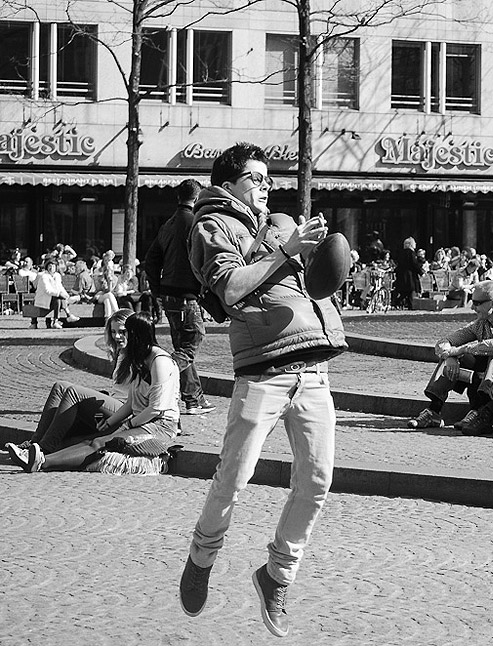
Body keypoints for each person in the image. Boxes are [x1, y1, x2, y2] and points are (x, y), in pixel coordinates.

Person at [180, 142, 347, 637]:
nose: (265, 185)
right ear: (227, 184)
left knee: (317, 482)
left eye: (268, 178)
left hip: (313, 365)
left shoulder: (277, 225)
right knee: (233, 477)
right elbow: (230, 288)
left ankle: (276, 574)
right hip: (263, 371)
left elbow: (312, 288)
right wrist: (285, 252)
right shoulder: (214, 226)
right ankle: (201, 557)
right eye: (254, 178)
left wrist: (326, 259)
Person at [10, 312, 179, 475]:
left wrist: (127, 425)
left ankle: (42, 460)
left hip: (159, 425)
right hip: (138, 419)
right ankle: (38, 454)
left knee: (99, 442)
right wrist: (109, 422)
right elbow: (131, 403)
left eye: (125, 333)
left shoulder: (160, 362)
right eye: (114, 332)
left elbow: (156, 409)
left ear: (135, 336)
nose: (120, 337)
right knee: (88, 440)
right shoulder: (140, 359)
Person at [407, 280, 493, 436]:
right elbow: (444, 343)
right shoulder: (482, 323)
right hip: (492, 374)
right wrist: (450, 357)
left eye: (477, 303)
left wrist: (460, 349)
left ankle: (480, 412)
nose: (472, 307)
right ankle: (434, 411)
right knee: (456, 355)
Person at [4, 309, 134, 460]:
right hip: (111, 407)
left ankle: (43, 450)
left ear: (133, 330)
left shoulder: (141, 356)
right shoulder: (121, 353)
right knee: (60, 387)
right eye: (113, 332)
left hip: (124, 413)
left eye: (122, 331)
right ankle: (33, 444)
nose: (117, 336)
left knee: (73, 392)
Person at [144, 178, 215, 416]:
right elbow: (204, 259)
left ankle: (193, 400)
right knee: (191, 344)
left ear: (178, 198)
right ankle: (155, 378)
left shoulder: (168, 224)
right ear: (197, 199)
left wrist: (157, 291)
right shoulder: (195, 223)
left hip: (170, 295)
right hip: (187, 295)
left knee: (182, 346)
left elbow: (151, 261)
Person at [31, 258, 80, 329]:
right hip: (43, 300)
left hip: (53, 299)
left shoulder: (57, 275)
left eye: (53, 266)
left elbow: (60, 287)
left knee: (59, 299)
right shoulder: (43, 276)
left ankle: (57, 321)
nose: (51, 268)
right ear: (47, 267)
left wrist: (66, 295)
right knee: (58, 298)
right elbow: (48, 290)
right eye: (50, 266)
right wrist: (60, 294)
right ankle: (67, 316)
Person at [393, 236, 424, 310]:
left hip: (402, 274)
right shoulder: (411, 253)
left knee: (405, 292)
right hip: (409, 275)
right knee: (410, 291)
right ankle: (409, 305)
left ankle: (399, 302)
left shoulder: (401, 252)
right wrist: (421, 272)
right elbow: (414, 264)